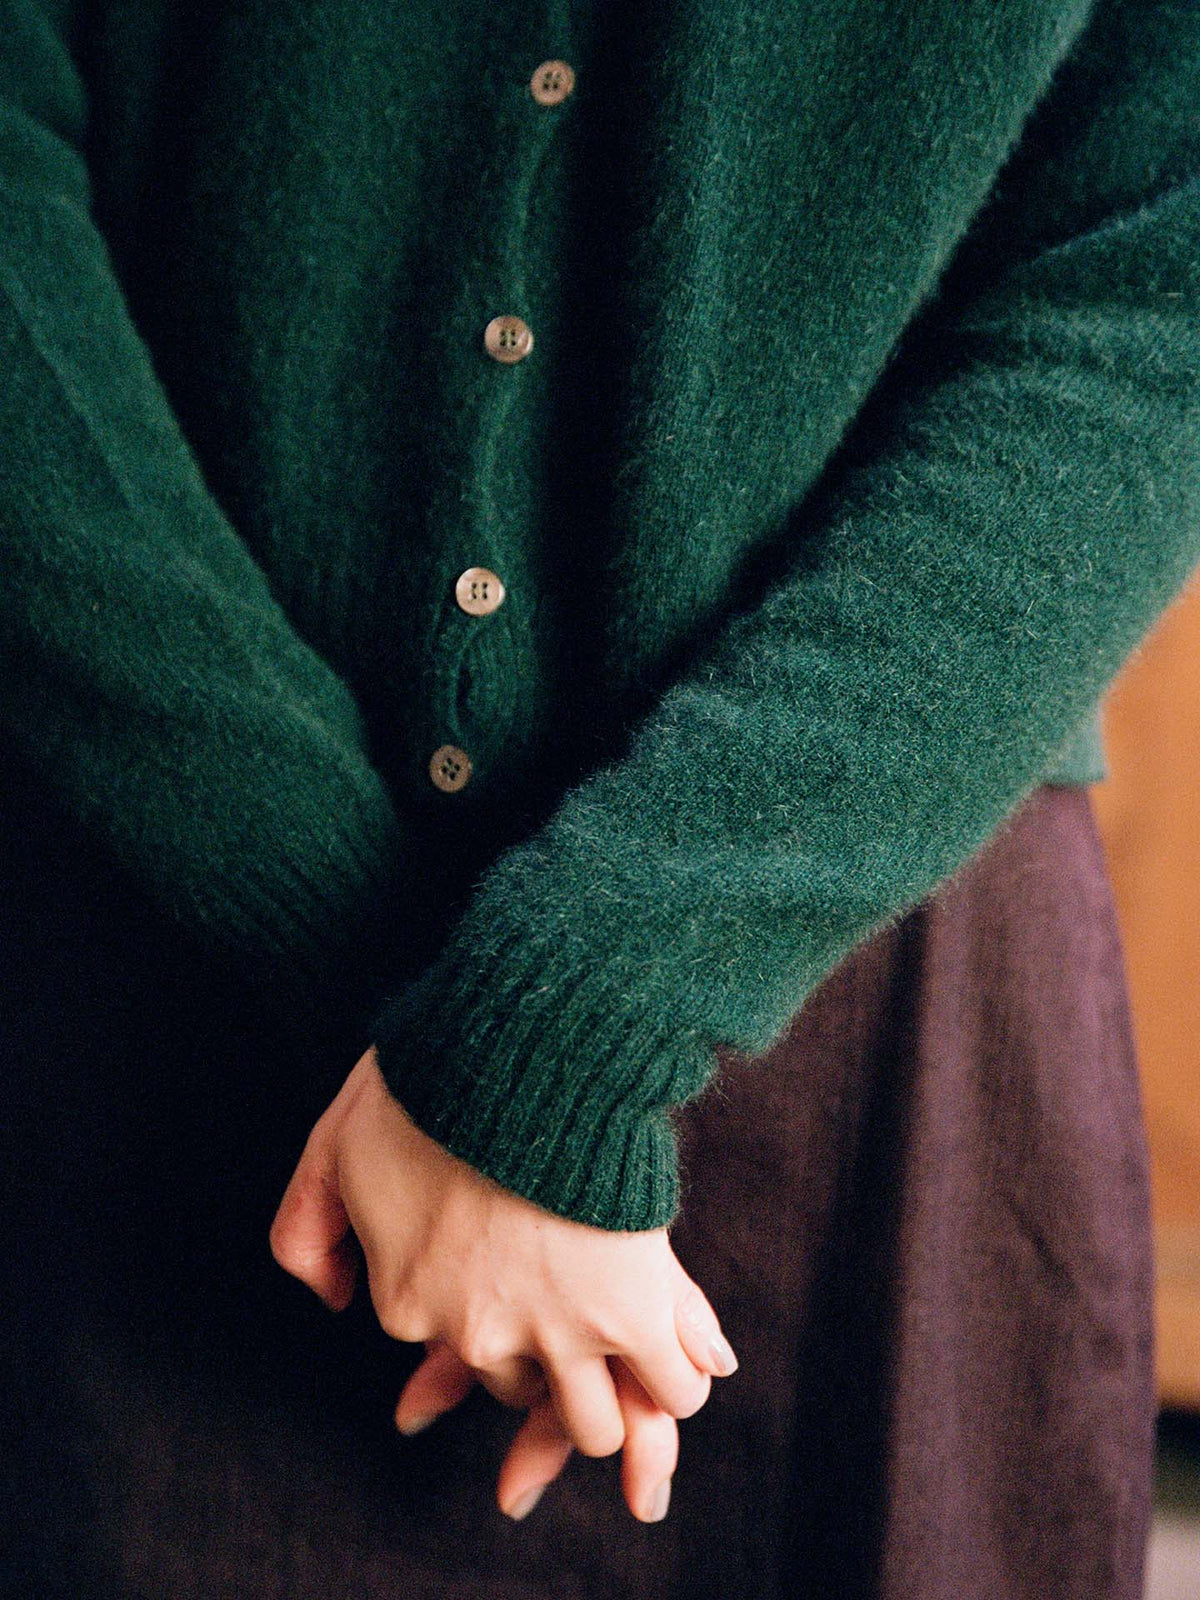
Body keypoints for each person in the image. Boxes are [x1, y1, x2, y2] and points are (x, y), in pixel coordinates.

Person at [1, 1, 1196, 1595]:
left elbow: (1159, 280)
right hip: (153, 924)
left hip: (858, 948)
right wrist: (358, 943)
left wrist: (573, 1017)